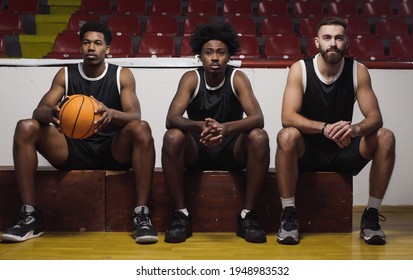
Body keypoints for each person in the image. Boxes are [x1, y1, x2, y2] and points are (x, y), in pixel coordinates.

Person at [1, 22, 158, 244]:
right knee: (25, 126)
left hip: (111, 149)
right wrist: (51, 112)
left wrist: (111, 113)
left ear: (107, 49)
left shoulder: (121, 75)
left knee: (142, 129)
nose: (91, 47)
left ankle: (141, 213)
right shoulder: (65, 74)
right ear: (80, 47)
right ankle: (30, 215)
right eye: (86, 43)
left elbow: (135, 115)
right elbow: (39, 111)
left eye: (97, 43)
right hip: (71, 148)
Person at [275, 17, 396, 245]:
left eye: (339, 38)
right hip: (308, 152)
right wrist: (324, 128)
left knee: (385, 137)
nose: (333, 43)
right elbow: (287, 117)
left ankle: (371, 216)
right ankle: (289, 215)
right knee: (287, 135)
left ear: (346, 42)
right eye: (327, 37)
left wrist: (355, 129)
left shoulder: (357, 71)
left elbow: (375, 117)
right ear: (317, 42)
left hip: (343, 150)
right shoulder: (300, 69)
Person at [161, 21, 270, 243]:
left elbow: (258, 118)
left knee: (259, 136)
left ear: (229, 56)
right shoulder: (192, 78)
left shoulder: (237, 77)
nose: (215, 57)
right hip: (198, 148)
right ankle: (181, 215)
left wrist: (224, 128)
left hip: (232, 150)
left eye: (221, 52)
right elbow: (171, 118)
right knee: (172, 136)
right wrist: (201, 126)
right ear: (200, 56)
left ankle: (247, 216)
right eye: (208, 52)